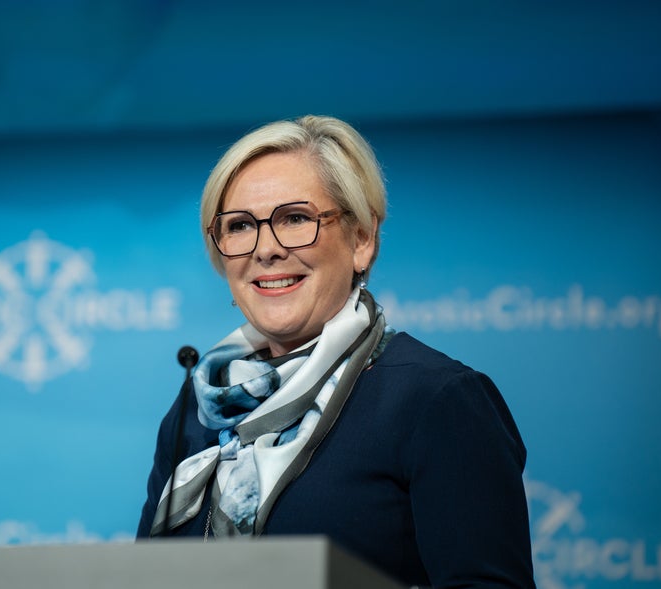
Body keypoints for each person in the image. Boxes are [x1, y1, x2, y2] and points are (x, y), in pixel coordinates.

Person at [137, 115, 535, 588]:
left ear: (361, 239)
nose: (266, 249)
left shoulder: (436, 400)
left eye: (295, 218)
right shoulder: (199, 407)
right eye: (240, 225)